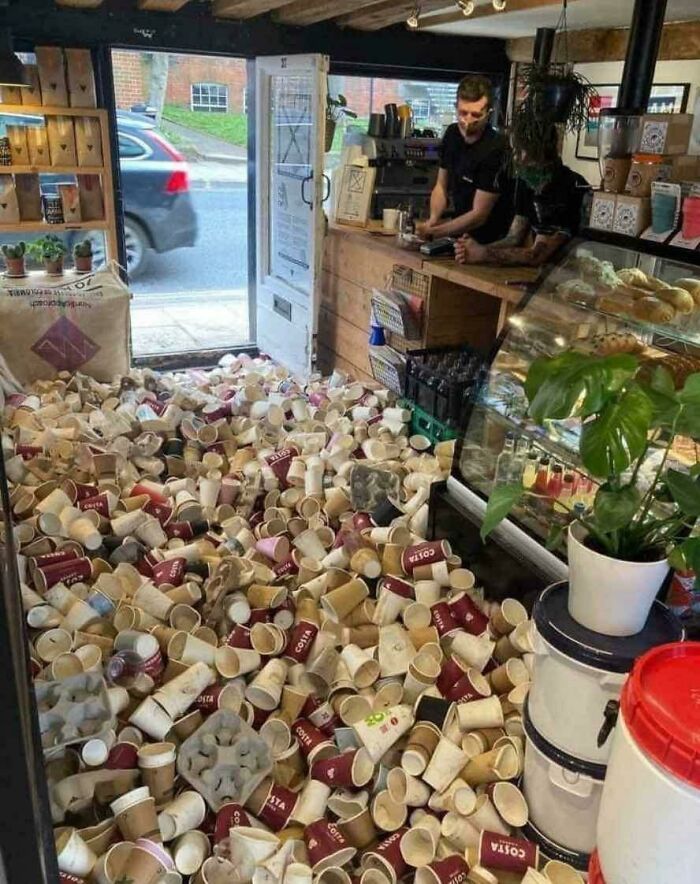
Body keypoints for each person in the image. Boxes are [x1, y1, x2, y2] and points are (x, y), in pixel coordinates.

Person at [454, 128, 589, 267]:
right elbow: (514, 237)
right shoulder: (525, 182)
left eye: (519, 151)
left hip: (571, 270)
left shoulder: (567, 186)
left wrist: (483, 254)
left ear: (539, 151)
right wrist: (473, 249)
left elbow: (537, 255)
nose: (515, 158)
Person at [416, 75, 511, 243]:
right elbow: (441, 185)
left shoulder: (496, 148)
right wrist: (432, 220)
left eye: (476, 115)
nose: (467, 121)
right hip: (458, 235)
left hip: (490, 241)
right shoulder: (452, 134)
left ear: (488, 113)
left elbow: (479, 215)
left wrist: (435, 232)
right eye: (463, 113)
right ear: (455, 107)